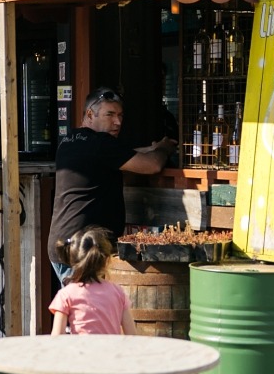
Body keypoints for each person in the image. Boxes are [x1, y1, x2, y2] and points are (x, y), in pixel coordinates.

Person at [46, 89, 176, 285]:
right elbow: (153, 165)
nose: (117, 122)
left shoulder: (70, 140)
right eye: (110, 115)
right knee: (88, 313)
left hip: (66, 244)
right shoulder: (101, 144)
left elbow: (122, 154)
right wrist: (166, 147)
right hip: (83, 250)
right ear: (90, 114)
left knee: (80, 311)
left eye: (120, 116)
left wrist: (151, 148)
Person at [49, 227, 137, 336]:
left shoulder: (66, 295)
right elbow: (132, 336)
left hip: (81, 353)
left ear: (72, 259)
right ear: (106, 260)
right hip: (112, 353)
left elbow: (57, 337)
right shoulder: (118, 293)